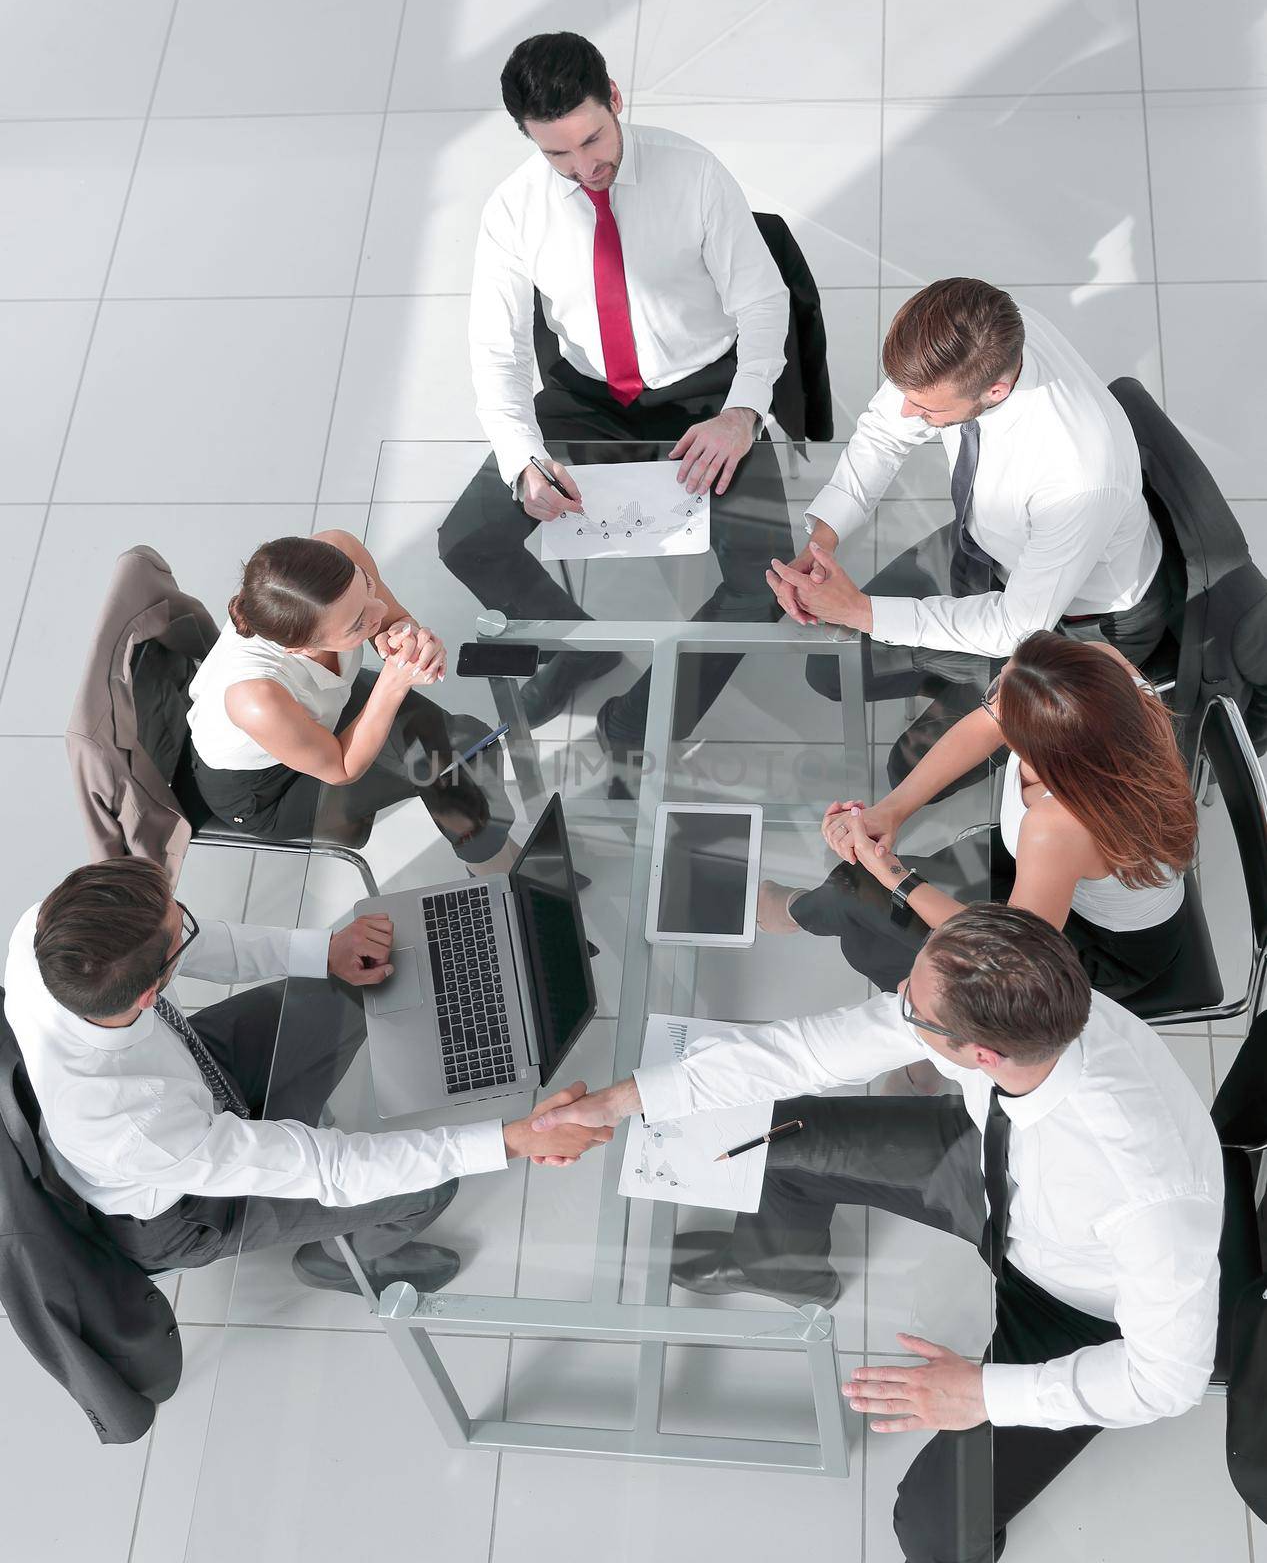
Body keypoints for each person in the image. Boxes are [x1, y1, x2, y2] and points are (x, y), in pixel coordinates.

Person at [533, 905, 1222, 1563]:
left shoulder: (1150, 1193)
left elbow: (1168, 1380)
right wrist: (620, 1101)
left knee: (927, 1531)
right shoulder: (1022, 1008)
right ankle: (784, 1266)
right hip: (986, 1171)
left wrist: (983, 1393)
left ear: (979, 1055)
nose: (897, 997)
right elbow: (805, 1051)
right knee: (774, 1137)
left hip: (1075, 1302)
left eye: (913, 1010)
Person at [4, 858, 612, 1297]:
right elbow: (332, 1169)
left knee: (362, 978)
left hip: (191, 1072)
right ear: (146, 995)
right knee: (427, 1190)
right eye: (177, 930)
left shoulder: (47, 931)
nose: (189, 925)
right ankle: (342, 1262)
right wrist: (511, 1140)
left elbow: (199, 943)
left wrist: (326, 951)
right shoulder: (130, 1125)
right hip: (184, 1203)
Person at [438, 30, 794, 761]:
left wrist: (740, 412)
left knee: (764, 584)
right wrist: (522, 461)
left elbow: (763, 303)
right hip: (588, 399)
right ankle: (573, 649)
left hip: (706, 395)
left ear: (616, 102)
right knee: (466, 541)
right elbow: (494, 351)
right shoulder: (513, 210)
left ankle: (641, 719)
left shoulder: (691, 174)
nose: (582, 168)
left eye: (593, 140)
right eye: (556, 154)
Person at [766, 277, 1181, 786]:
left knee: (908, 768)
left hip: (1078, 624)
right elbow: (882, 431)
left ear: (996, 391)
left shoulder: (1077, 476)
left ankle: (977, 694)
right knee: (830, 671)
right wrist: (823, 537)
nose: (906, 413)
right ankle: (955, 673)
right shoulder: (984, 330)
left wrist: (861, 611)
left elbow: (1016, 625)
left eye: (926, 410)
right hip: (988, 551)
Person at [760, 632, 1196, 1090]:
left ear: (1045, 752)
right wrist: (893, 809)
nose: (991, 705)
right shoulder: (1100, 682)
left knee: (874, 901)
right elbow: (983, 726)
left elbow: (1012, 953)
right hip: (1038, 871)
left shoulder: (1057, 825)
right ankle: (812, 911)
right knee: (864, 892)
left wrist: (895, 876)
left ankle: (931, 1036)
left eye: (1001, 707)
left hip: (1087, 949)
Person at [186, 529, 515, 871]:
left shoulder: (336, 551)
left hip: (319, 710)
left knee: (467, 745)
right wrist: (393, 682)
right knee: (448, 766)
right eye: (358, 625)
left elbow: (393, 619)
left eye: (367, 588)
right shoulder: (255, 697)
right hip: (268, 790)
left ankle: (496, 852)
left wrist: (407, 637)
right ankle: (499, 872)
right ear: (299, 648)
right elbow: (341, 767)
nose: (378, 610)